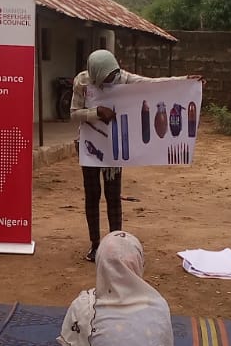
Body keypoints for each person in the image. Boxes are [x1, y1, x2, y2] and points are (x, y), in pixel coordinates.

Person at [70, 49, 203, 261]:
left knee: (113, 195)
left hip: (115, 146)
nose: (111, 80)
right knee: (92, 194)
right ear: (95, 75)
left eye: (113, 76)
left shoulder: (123, 78)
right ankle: (95, 244)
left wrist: (185, 82)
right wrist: (96, 113)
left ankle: (116, 244)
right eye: (106, 79)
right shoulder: (82, 82)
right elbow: (74, 113)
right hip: (90, 146)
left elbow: (153, 84)